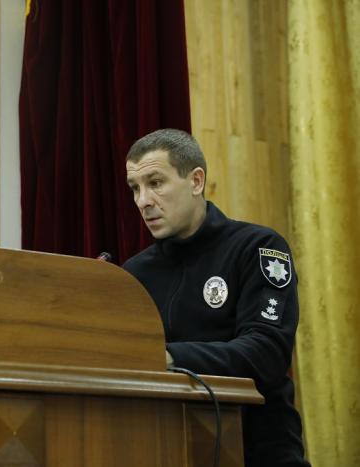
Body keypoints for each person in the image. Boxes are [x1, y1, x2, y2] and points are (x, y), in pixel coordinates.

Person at [122, 129, 310, 467]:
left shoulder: (257, 247)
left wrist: (166, 357)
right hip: (165, 449)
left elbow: (266, 352)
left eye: (156, 183)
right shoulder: (135, 273)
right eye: (135, 188)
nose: (143, 201)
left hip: (257, 452)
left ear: (196, 181)